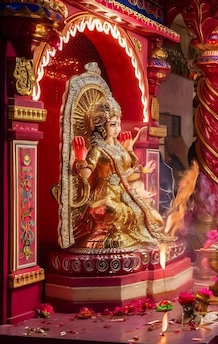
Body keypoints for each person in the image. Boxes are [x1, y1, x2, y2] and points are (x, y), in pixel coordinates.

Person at [72, 97, 169, 249]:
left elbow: (128, 176)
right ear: (102, 126)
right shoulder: (97, 150)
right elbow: (85, 174)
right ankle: (106, 236)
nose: (117, 128)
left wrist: (134, 157)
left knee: (156, 219)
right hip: (106, 196)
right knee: (110, 210)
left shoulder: (120, 148)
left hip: (124, 195)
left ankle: (126, 235)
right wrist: (80, 158)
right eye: (112, 124)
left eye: (118, 124)